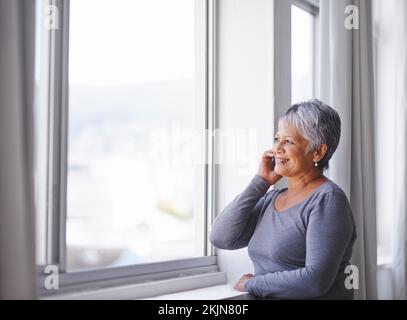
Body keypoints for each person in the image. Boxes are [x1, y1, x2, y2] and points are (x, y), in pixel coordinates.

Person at [209, 99, 357, 299]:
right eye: (276, 139)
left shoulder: (328, 200)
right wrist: (260, 182)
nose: (277, 148)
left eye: (288, 141)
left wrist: (254, 283)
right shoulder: (271, 199)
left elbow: (316, 281)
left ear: (318, 151)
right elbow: (221, 238)